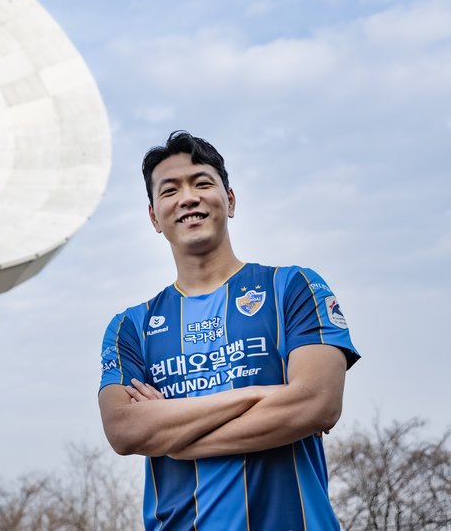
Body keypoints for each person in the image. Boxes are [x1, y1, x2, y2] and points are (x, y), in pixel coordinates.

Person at [98, 131, 359, 530]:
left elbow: (318, 404)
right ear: (154, 216)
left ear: (230, 200)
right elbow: (124, 430)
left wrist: (177, 437)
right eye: (170, 190)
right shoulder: (130, 327)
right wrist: (263, 393)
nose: (188, 198)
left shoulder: (293, 288)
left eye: (202, 183)